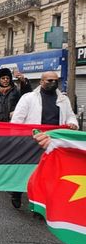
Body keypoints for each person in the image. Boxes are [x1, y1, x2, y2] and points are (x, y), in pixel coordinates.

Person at [10, 71, 79, 208]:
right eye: (49, 81)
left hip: (53, 142)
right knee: (27, 170)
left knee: (47, 173)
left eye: (55, 81)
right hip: (31, 141)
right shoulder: (28, 98)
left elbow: (71, 116)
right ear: (41, 82)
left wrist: (73, 124)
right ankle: (16, 192)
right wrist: (17, 138)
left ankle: (40, 205)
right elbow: (17, 120)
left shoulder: (63, 99)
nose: (53, 83)